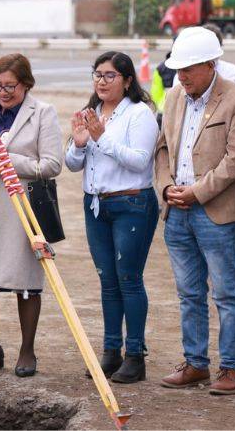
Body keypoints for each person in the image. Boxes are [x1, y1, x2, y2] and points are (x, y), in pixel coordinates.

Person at [155, 26, 235, 395]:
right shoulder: (174, 96)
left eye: (188, 70)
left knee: (227, 294)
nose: (181, 77)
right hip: (176, 211)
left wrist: (197, 193)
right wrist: (166, 188)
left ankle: (233, 368)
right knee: (189, 293)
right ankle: (196, 363)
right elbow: (163, 148)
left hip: (216, 213)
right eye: (178, 70)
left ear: (212, 64)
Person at [64, 51, 159, 384]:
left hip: (131, 203)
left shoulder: (139, 115)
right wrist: (78, 145)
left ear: (128, 80)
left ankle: (135, 355)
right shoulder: (91, 114)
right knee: (107, 281)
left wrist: (101, 138)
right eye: (97, 75)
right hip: (96, 206)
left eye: (109, 76)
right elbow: (74, 164)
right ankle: (110, 351)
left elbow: (138, 160)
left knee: (128, 279)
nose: (101, 82)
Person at [0, 54, 62, 378]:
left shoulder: (44, 113)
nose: (3, 92)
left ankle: (27, 349)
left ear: (26, 84)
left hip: (22, 210)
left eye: (11, 86)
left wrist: (8, 161)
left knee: (26, 283)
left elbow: (51, 165)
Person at [149, 51, 174, 126]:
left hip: (163, 109)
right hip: (181, 111)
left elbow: (156, 91)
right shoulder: (189, 64)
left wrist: (159, 104)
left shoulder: (161, 67)